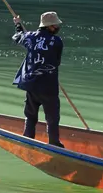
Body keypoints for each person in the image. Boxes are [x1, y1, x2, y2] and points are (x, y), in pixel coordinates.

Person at [11, 11, 65, 148]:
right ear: (50, 27)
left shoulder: (29, 37)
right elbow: (56, 62)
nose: (57, 27)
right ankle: (54, 143)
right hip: (48, 86)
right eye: (55, 25)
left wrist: (17, 24)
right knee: (52, 117)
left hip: (31, 84)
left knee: (30, 115)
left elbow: (18, 37)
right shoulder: (57, 42)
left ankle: (27, 139)